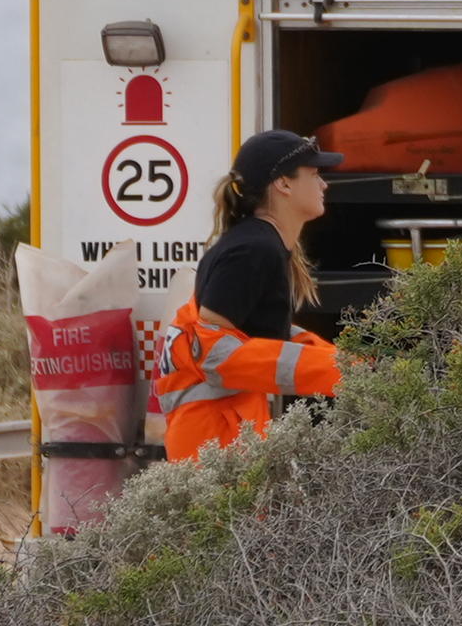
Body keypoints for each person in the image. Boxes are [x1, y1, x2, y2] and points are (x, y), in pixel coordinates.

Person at [149, 128, 350, 458]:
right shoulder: (253, 251)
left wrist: (355, 365)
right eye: (314, 174)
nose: (323, 184)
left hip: (225, 427)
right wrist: (340, 371)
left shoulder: (259, 244)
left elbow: (258, 336)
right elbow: (213, 354)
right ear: (283, 184)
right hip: (213, 437)